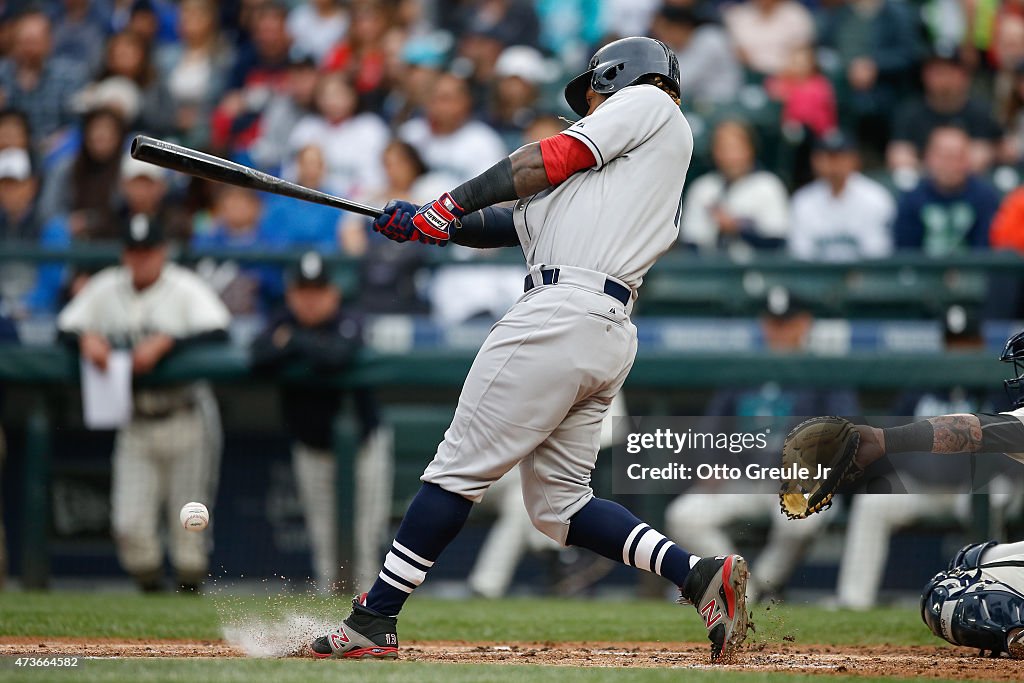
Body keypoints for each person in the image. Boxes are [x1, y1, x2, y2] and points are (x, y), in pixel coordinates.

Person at [310, 37, 750, 663]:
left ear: (621, 79)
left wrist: (446, 202)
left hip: (560, 313)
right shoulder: (613, 179)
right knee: (559, 507)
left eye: (594, 94)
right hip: (598, 325)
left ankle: (374, 617)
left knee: (457, 470)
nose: (588, 108)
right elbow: (507, 223)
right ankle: (697, 576)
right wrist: (422, 222)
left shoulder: (651, 105)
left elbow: (547, 155)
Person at [56, 215, 230, 593]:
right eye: (134, 252)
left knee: (190, 530)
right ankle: (151, 597)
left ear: (162, 252)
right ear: (124, 254)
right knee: (130, 527)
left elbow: (221, 330)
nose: (141, 260)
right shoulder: (106, 287)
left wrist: (169, 341)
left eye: (148, 251)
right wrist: (84, 340)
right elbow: (64, 326)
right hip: (134, 418)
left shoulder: (183, 287)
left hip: (185, 415)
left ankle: (188, 611)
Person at [835, 330, 1024, 658]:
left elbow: (975, 431)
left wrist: (886, 439)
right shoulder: (923, 386)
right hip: (926, 486)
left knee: (951, 596)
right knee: (965, 572)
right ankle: (853, 601)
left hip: (976, 487)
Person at [666, 288, 860, 602]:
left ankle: (763, 585)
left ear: (805, 324)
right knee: (684, 515)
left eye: (788, 323)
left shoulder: (823, 371)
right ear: (763, 324)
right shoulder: (744, 368)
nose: (780, 331)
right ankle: (743, 587)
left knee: (802, 520)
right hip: (741, 479)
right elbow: (711, 426)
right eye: (773, 323)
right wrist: (710, 463)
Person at [251, 251, 392, 591]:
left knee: (363, 543)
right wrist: (303, 343)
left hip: (362, 448)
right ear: (290, 294)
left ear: (333, 293)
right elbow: (257, 357)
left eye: (318, 291)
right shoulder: (280, 318)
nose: (310, 300)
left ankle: (365, 622)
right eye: (303, 291)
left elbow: (335, 357)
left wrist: (293, 342)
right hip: (311, 449)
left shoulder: (349, 318)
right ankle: (332, 626)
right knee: (326, 548)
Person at [679, 120, 790, 252]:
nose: (729, 155)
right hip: (711, 270)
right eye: (722, 148)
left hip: (758, 271)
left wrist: (738, 229)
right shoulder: (703, 187)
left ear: (750, 149)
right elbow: (690, 243)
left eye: (735, 148)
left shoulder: (768, 185)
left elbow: (777, 242)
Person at [888, 50, 1003, 174]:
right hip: (923, 182)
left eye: (950, 72)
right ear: (924, 76)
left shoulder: (981, 111)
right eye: (938, 72)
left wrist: (991, 152)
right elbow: (898, 153)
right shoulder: (909, 111)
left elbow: (995, 150)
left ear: (964, 76)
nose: (944, 79)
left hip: (973, 183)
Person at [788, 131, 894, 261]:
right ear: (815, 160)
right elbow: (801, 256)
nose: (834, 164)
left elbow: (877, 255)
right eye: (828, 156)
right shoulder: (803, 201)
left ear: (855, 159)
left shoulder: (875, 198)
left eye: (840, 156)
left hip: (865, 279)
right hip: (816, 278)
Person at [893, 127, 1000, 254]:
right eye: (943, 157)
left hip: (973, 272)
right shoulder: (911, 199)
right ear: (928, 158)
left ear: (968, 159)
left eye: (957, 157)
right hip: (924, 272)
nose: (950, 164)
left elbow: (986, 249)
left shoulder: (986, 197)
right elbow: (905, 252)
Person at [286, 72, 389, 199]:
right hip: (315, 204)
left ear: (353, 95)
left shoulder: (371, 128)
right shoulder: (306, 128)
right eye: (326, 95)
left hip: (359, 206)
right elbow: (291, 174)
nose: (332, 101)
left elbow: (377, 179)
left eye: (339, 94)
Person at [398, 71, 507, 186]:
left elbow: (491, 189)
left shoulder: (484, 142)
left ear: (465, 102)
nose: (437, 106)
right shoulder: (410, 134)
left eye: (445, 99)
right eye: (433, 98)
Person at [0, 9, 89, 145]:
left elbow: (77, 125)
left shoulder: (69, 75)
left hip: (55, 151)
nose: (29, 49)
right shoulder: (2, 74)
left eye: (34, 42)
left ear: (49, 42)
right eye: (24, 41)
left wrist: (57, 143)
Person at [651, 5, 741, 109]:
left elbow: (684, 80)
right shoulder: (670, 46)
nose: (659, 32)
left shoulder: (710, 38)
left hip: (724, 101)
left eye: (665, 28)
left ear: (681, 27)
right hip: (696, 102)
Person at [722, 0, 815, 77]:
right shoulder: (738, 15)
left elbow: (802, 52)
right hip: (750, 75)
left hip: (788, 76)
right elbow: (738, 53)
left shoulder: (796, 14)